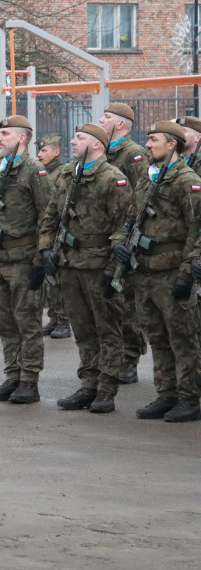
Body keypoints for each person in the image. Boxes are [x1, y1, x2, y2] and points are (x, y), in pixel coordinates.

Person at [39, 124, 132, 414]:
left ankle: (106, 389)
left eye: (80, 137)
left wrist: (113, 272)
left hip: (99, 265)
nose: (73, 140)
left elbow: (123, 228)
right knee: (82, 329)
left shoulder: (112, 178)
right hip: (70, 263)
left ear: (97, 145)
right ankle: (88, 384)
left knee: (107, 329)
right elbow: (51, 214)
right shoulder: (68, 174)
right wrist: (45, 249)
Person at [114, 120, 201, 422]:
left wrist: (187, 273)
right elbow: (130, 219)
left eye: (153, 140)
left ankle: (190, 398)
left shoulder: (186, 180)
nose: (147, 145)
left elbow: (197, 229)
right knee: (158, 338)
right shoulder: (148, 179)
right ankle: (167, 394)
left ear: (172, 144)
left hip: (172, 273)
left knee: (183, 339)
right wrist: (120, 245)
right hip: (145, 273)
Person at [0, 116, 53, 404]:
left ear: (22, 138)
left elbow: (47, 215)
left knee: (27, 322)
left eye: (5, 134)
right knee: (5, 323)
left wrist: (41, 256)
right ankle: (12, 376)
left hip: (22, 258)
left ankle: (29, 380)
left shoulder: (34, 171)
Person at [98, 102, 149, 385]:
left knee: (127, 303)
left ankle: (130, 358)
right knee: (109, 303)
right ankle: (114, 357)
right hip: (104, 238)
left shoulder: (133, 154)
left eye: (105, 117)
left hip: (125, 240)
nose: (101, 121)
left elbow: (142, 198)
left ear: (119, 124)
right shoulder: (103, 152)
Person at [35, 133, 70, 339]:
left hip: (57, 232)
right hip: (45, 229)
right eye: (39, 151)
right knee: (49, 279)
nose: (39, 155)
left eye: (44, 151)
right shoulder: (43, 171)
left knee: (57, 277)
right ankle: (54, 317)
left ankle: (64, 321)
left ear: (56, 152)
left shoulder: (61, 172)